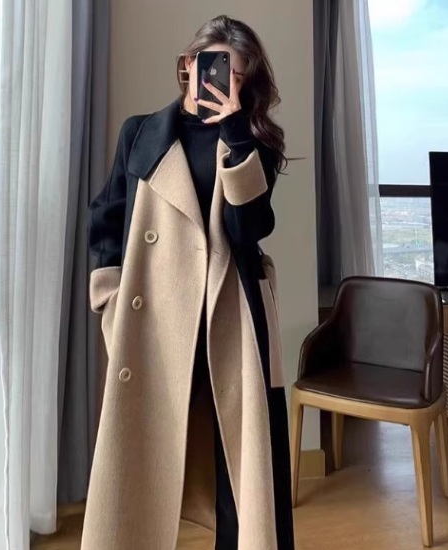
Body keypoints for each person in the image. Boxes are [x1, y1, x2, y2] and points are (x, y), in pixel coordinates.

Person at [81, 15, 294, 550]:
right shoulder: (140, 133)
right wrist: (110, 304)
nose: (223, 81)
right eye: (213, 66)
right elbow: (106, 221)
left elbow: (249, 229)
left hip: (230, 317)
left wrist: (236, 132)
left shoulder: (253, 142)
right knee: (142, 464)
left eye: (236, 75)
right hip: (155, 320)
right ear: (187, 64)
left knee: (237, 472)